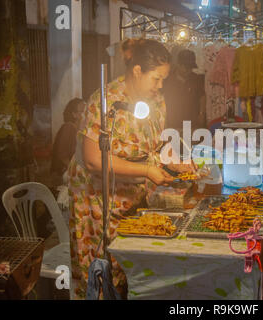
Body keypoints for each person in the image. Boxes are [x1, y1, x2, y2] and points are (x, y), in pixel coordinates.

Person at [67, 39, 196, 299]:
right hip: (95, 201)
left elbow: (154, 146)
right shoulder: (106, 102)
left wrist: (175, 161)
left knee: (129, 272)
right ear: (137, 71)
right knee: (101, 275)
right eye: (156, 79)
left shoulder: (156, 101)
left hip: (131, 198)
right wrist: (147, 171)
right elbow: (93, 160)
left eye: (163, 80)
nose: (160, 86)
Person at [163, 49, 206, 131]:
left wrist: (201, 114)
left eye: (190, 68)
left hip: (192, 122)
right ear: (178, 64)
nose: (188, 70)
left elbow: (202, 96)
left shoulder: (196, 79)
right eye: (186, 67)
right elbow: (162, 98)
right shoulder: (167, 79)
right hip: (173, 122)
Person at [50, 98, 85, 188]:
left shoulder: (79, 129)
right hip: (61, 173)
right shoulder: (68, 127)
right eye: (82, 111)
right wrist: (74, 170)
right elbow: (61, 155)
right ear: (74, 114)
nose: (86, 114)